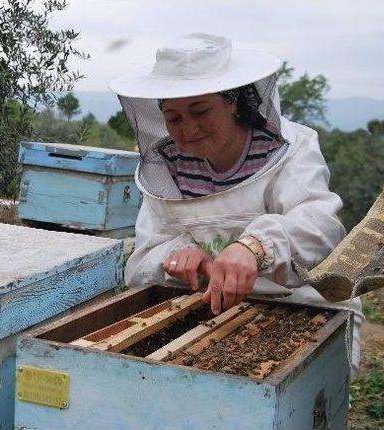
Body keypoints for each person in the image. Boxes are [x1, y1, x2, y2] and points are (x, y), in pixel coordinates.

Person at [109, 33, 363, 372]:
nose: (188, 130)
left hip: (301, 304)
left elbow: (321, 227)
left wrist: (256, 246)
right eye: (174, 117)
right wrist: (178, 257)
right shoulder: (167, 168)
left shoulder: (291, 149)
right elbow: (141, 263)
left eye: (200, 110)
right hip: (210, 313)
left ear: (232, 102)